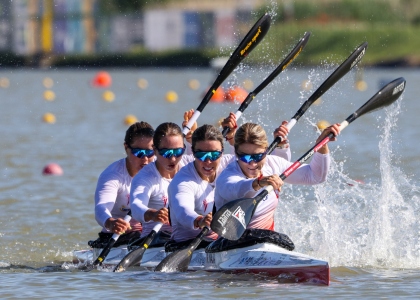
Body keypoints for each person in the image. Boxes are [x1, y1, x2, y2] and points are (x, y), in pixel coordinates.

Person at [167, 114, 291, 250]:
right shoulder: (183, 181)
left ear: (222, 152)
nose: (208, 161)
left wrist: (281, 147)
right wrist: (199, 220)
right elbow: (182, 210)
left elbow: (249, 158)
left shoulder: (228, 164)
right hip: (187, 245)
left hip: (222, 240)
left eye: (214, 155)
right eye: (201, 155)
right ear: (193, 153)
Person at [214, 122, 341, 233]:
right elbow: (235, 189)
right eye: (245, 157)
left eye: (258, 156)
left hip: (266, 238)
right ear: (236, 152)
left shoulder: (273, 164)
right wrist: (259, 182)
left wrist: (321, 147)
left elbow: (315, 177)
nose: (252, 164)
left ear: (266, 150)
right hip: (229, 242)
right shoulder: (228, 175)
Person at [129, 117, 196, 247]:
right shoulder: (145, 177)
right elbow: (136, 206)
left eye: (178, 151)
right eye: (166, 152)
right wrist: (152, 214)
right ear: (154, 150)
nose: (173, 158)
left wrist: (233, 141)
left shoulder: (191, 165)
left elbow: (227, 165)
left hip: (189, 237)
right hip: (156, 242)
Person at [90, 121, 155, 248]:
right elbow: (101, 208)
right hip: (118, 237)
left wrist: (191, 142)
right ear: (126, 148)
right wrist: (110, 222)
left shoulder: (161, 167)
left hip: (151, 233)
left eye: (150, 152)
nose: (145, 159)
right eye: (138, 152)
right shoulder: (113, 175)